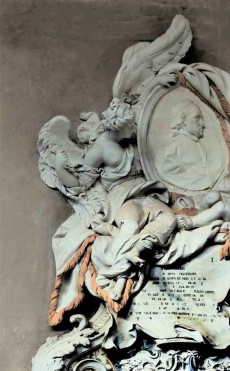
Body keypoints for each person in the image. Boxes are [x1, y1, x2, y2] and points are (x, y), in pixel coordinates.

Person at [53, 98, 177, 302]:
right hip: (123, 198)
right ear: (118, 128)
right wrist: (60, 168)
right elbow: (81, 183)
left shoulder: (129, 141)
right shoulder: (100, 150)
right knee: (129, 226)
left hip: (146, 193)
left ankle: (135, 249)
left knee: (168, 218)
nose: (134, 129)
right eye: (130, 127)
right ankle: (115, 273)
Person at [158, 100, 213, 191]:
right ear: (182, 119)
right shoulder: (172, 147)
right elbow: (165, 171)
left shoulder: (196, 143)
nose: (202, 124)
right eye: (197, 117)